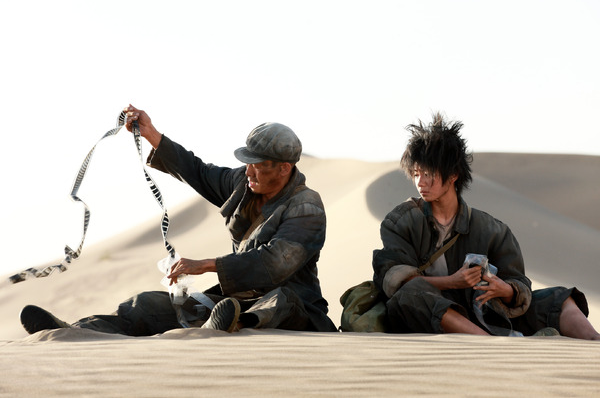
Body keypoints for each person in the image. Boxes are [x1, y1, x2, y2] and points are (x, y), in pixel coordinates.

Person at [20, 104, 337, 335]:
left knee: (279, 301)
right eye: (248, 162)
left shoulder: (306, 206)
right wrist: (151, 134)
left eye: (259, 164)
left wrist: (206, 265)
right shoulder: (244, 185)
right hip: (232, 300)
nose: (249, 171)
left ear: (284, 168)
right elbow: (198, 171)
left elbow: (274, 263)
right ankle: (76, 331)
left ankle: (233, 324)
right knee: (148, 304)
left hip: (296, 309)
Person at [372, 112, 599, 339]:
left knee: (559, 298)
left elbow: (519, 284)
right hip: (428, 314)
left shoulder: (492, 230)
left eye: (428, 173)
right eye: (415, 174)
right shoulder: (400, 222)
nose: (420, 182)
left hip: (485, 313)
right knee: (410, 295)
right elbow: (395, 282)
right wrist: (452, 282)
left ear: (453, 175)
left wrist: (505, 289)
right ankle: (493, 345)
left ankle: (594, 344)